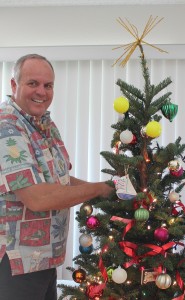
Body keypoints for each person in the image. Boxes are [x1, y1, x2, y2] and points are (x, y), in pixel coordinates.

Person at [0, 54, 114, 300]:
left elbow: (59, 181)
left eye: (48, 85)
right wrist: (99, 190)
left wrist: (111, 191)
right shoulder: (7, 128)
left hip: (43, 258)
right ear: (14, 85)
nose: (41, 91)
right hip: (15, 263)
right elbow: (37, 198)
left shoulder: (44, 125)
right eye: (33, 83)